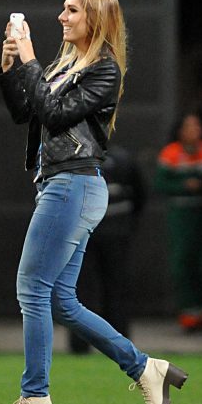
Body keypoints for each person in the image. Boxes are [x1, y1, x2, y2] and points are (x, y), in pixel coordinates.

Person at [0, 0, 187, 404]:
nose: (62, 17)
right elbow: (29, 112)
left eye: (71, 10)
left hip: (73, 185)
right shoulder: (66, 63)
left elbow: (57, 115)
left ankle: (35, 396)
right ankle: (145, 368)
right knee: (59, 299)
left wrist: (29, 58)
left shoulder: (105, 70)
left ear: (94, 19)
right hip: (63, 185)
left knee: (32, 289)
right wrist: (8, 67)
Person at [68, 144, 146, 353]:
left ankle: (80, 344)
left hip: (84, 233)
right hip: (116, 232)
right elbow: (140, 196)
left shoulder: (73, 160)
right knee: (116, 288)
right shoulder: (124, 158)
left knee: (81, 290)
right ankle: (119, 343)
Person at [154, 112, 202, 331]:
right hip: (181, 214)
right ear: (180, 131)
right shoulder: (171, 153)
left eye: (197, 125)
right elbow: (160, 184)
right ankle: (189, 315)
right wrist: (184, 185)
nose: (195, 130)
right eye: (190, 126)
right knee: (183, 263)